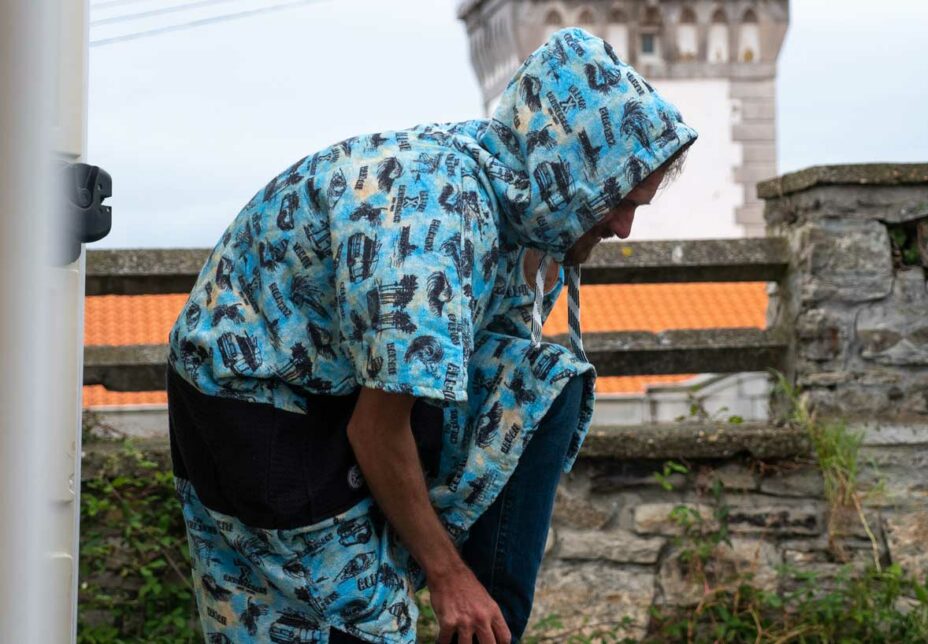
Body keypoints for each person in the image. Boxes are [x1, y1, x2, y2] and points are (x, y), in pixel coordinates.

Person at [166, 27, 697, 644]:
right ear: (568, 171)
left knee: (546, 383)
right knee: (348, 625)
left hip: (340, 384)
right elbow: (376, 428)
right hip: (258, 396)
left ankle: (483, 628)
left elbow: (489, 379)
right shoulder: (432, 222)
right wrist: (447, 575)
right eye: (619, 201)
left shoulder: (529, 218)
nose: (625, 228)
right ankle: (451, 597)